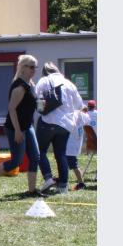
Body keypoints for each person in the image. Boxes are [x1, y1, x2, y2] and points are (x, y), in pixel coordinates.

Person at [0, 55, 41, 198]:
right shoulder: (20, 87)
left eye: (35, 67)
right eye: (32, 67)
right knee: (16, 162)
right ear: (23, 68)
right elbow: (12, 109)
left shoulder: (31, 84)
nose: (34, 70)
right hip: (15, 128)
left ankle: (32, 190)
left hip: (27, 126)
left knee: (35, 157)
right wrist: (18, 131)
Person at [35, 62, 85, 194]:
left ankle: (48, 178)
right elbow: (80, 105)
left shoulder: (44, 80)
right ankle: (63, 186)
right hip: (66, 125)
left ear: (44, 72)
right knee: (61, 153)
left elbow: (38, 99)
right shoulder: (69, 83)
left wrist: (41, 110)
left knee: (40, 151)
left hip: (48, 121)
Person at [66, 105, 91, 190]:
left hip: (70, 145)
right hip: (76, 145)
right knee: (71, 164)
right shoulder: (84, 117)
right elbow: (87, 119)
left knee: (74, 165)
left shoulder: (75, 114)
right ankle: (65, 181)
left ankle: (81, 183)